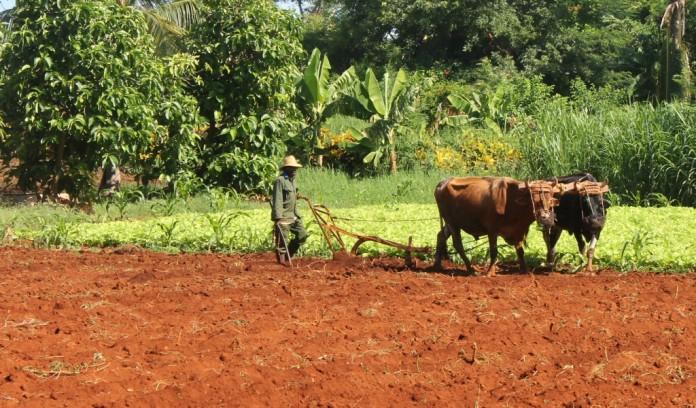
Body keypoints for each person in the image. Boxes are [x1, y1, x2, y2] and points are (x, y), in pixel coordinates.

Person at [271, 155, 308, 265]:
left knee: (302, 235)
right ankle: (282, 262)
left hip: (293, 215)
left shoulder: (293, 181)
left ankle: (288, 255)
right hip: (283, 216)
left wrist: (297, 213)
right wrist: (277, 218)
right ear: (286, 169)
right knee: (282, 241)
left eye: (295, 168)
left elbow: (294, 199)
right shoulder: (280, 181)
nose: (295, 170)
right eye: (292, 168)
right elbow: (277, 199)